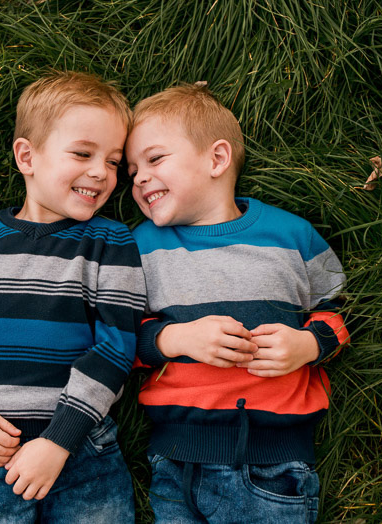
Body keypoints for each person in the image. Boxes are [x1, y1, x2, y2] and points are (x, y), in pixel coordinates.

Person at [0, 71, 145, 523]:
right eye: (83, 153)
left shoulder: (109, 241)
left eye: (114, 162)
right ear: (27, 155)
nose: (101, 171)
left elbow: (117, 345)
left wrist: (60, 439)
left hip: (82, 446)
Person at [125, 83, 350, 523]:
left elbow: (343, 308)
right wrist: (176, 337)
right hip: (175, 462)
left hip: (275, 464)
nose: (138, 178)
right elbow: (117, 336)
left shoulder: (292, 236)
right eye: (132, 169)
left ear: (217, 158)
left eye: (154, 159)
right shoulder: (139, 248)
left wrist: (310, 345)